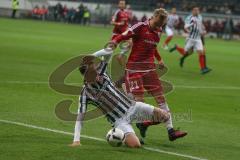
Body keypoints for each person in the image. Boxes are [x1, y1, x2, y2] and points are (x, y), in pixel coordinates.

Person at [109, 8, 187, 144]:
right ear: (153, 17)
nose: (159, 26)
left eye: (161, 25)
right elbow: (124, 35)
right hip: (134, 70)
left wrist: (159, 59)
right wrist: (114, 42)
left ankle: (170, 131)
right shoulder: (140, 26)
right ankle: (132, 129)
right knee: (140, 102)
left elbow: (153, 47)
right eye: (157, 23)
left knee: (161, 98)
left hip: (150, 69)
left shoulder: (159, 30)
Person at [69, 49, 170, 148]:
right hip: (120, 120)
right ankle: (120, 135)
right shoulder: (85, 94)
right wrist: (76, 140)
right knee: (135, 145)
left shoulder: (102, 73)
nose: (96, 74)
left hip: (133, 107)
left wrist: (92, 56)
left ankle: (141, 125)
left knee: (165, 116)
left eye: (95, 71)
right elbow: (80, 119)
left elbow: (109, 51)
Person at [169, 6, 212, 74]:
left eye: (198, 10)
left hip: (198, 38)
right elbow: (185, 26)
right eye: (195, 10)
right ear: (192, 11)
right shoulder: (189, 18)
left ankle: (203, 69)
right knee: (187, 52)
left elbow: (201, 24)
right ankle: (176, 48)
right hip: (190, 38)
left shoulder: (200, 17)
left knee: (201, 52)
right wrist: (188, 31)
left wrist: (204, 30)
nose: (197, 11)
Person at [110, 0, 131, 66]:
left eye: (123, 4)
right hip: (116, 34)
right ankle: (102, 61)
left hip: (123, 33)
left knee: (130, 43)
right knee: (110, 50)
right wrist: (119, 23)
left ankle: (120, 56)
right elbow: (112, 22)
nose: (122, 5)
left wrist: (128, 28)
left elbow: (126, 23)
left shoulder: (126, 12)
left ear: (125, 5)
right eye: (120, 4)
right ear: (118, 5)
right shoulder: (117, 12)